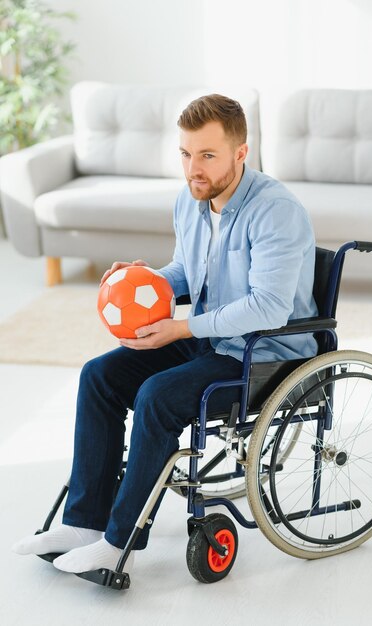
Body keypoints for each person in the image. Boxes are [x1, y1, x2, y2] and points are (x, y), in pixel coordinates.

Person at [12, 94, 318, 575]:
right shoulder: (191, 200)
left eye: (207, 155)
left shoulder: (275, 211)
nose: (193, 168)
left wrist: (181, 325)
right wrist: (142, 283)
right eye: (185, 153)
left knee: (157, 395)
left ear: (241, 153)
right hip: (208, 338)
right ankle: (84, 523)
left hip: (265, 352)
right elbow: (186, 271)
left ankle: (118, 541)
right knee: (100, 376)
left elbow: (270, 307)